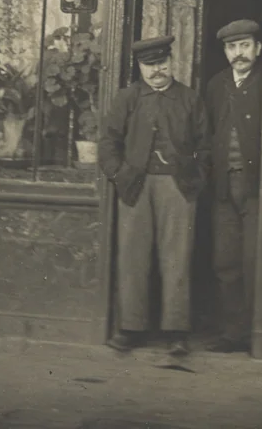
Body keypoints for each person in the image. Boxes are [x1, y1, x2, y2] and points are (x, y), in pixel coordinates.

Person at [99, 34, 209, 358]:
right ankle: (130, 328)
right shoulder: (127, 98)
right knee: (132, 257)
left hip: (178, 188)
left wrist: (196, 178)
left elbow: (205, 146)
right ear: (139, 67)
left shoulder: (190, 99)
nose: (157, 71)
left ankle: (176, 331)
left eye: (162, 63)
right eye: (149, 65)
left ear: (172, 62)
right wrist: (119, 175)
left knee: (176, 259)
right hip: (135, 187)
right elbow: (108, 142)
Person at [205, 18, 262, 353]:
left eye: (244, 46)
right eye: (231, 47)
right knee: (226, 262)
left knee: (255, 260)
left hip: (257, 186)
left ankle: (259, 336)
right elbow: (209, 132)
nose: (238, 54)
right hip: (225, 187)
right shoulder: (217, 85)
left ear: (258, 48)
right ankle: (233, 333)